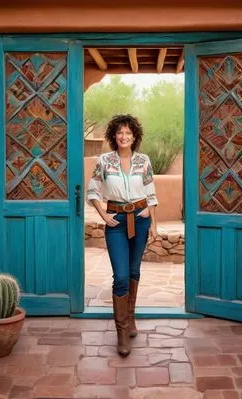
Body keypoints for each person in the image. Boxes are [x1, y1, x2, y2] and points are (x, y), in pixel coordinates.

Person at [86, 114, 158, 357]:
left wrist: (153, 223)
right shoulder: (104, 161)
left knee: (135, 270)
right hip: (116, 221)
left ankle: (131, 317)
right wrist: (104, 216)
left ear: (134, 136)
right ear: (114, 136)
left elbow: (151, 193)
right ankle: (122, 331)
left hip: (140, 219)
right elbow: (93, 191)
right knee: (121, 276)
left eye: (128, 133)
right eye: (120, 133)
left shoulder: (144, 161)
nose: (124, 136)